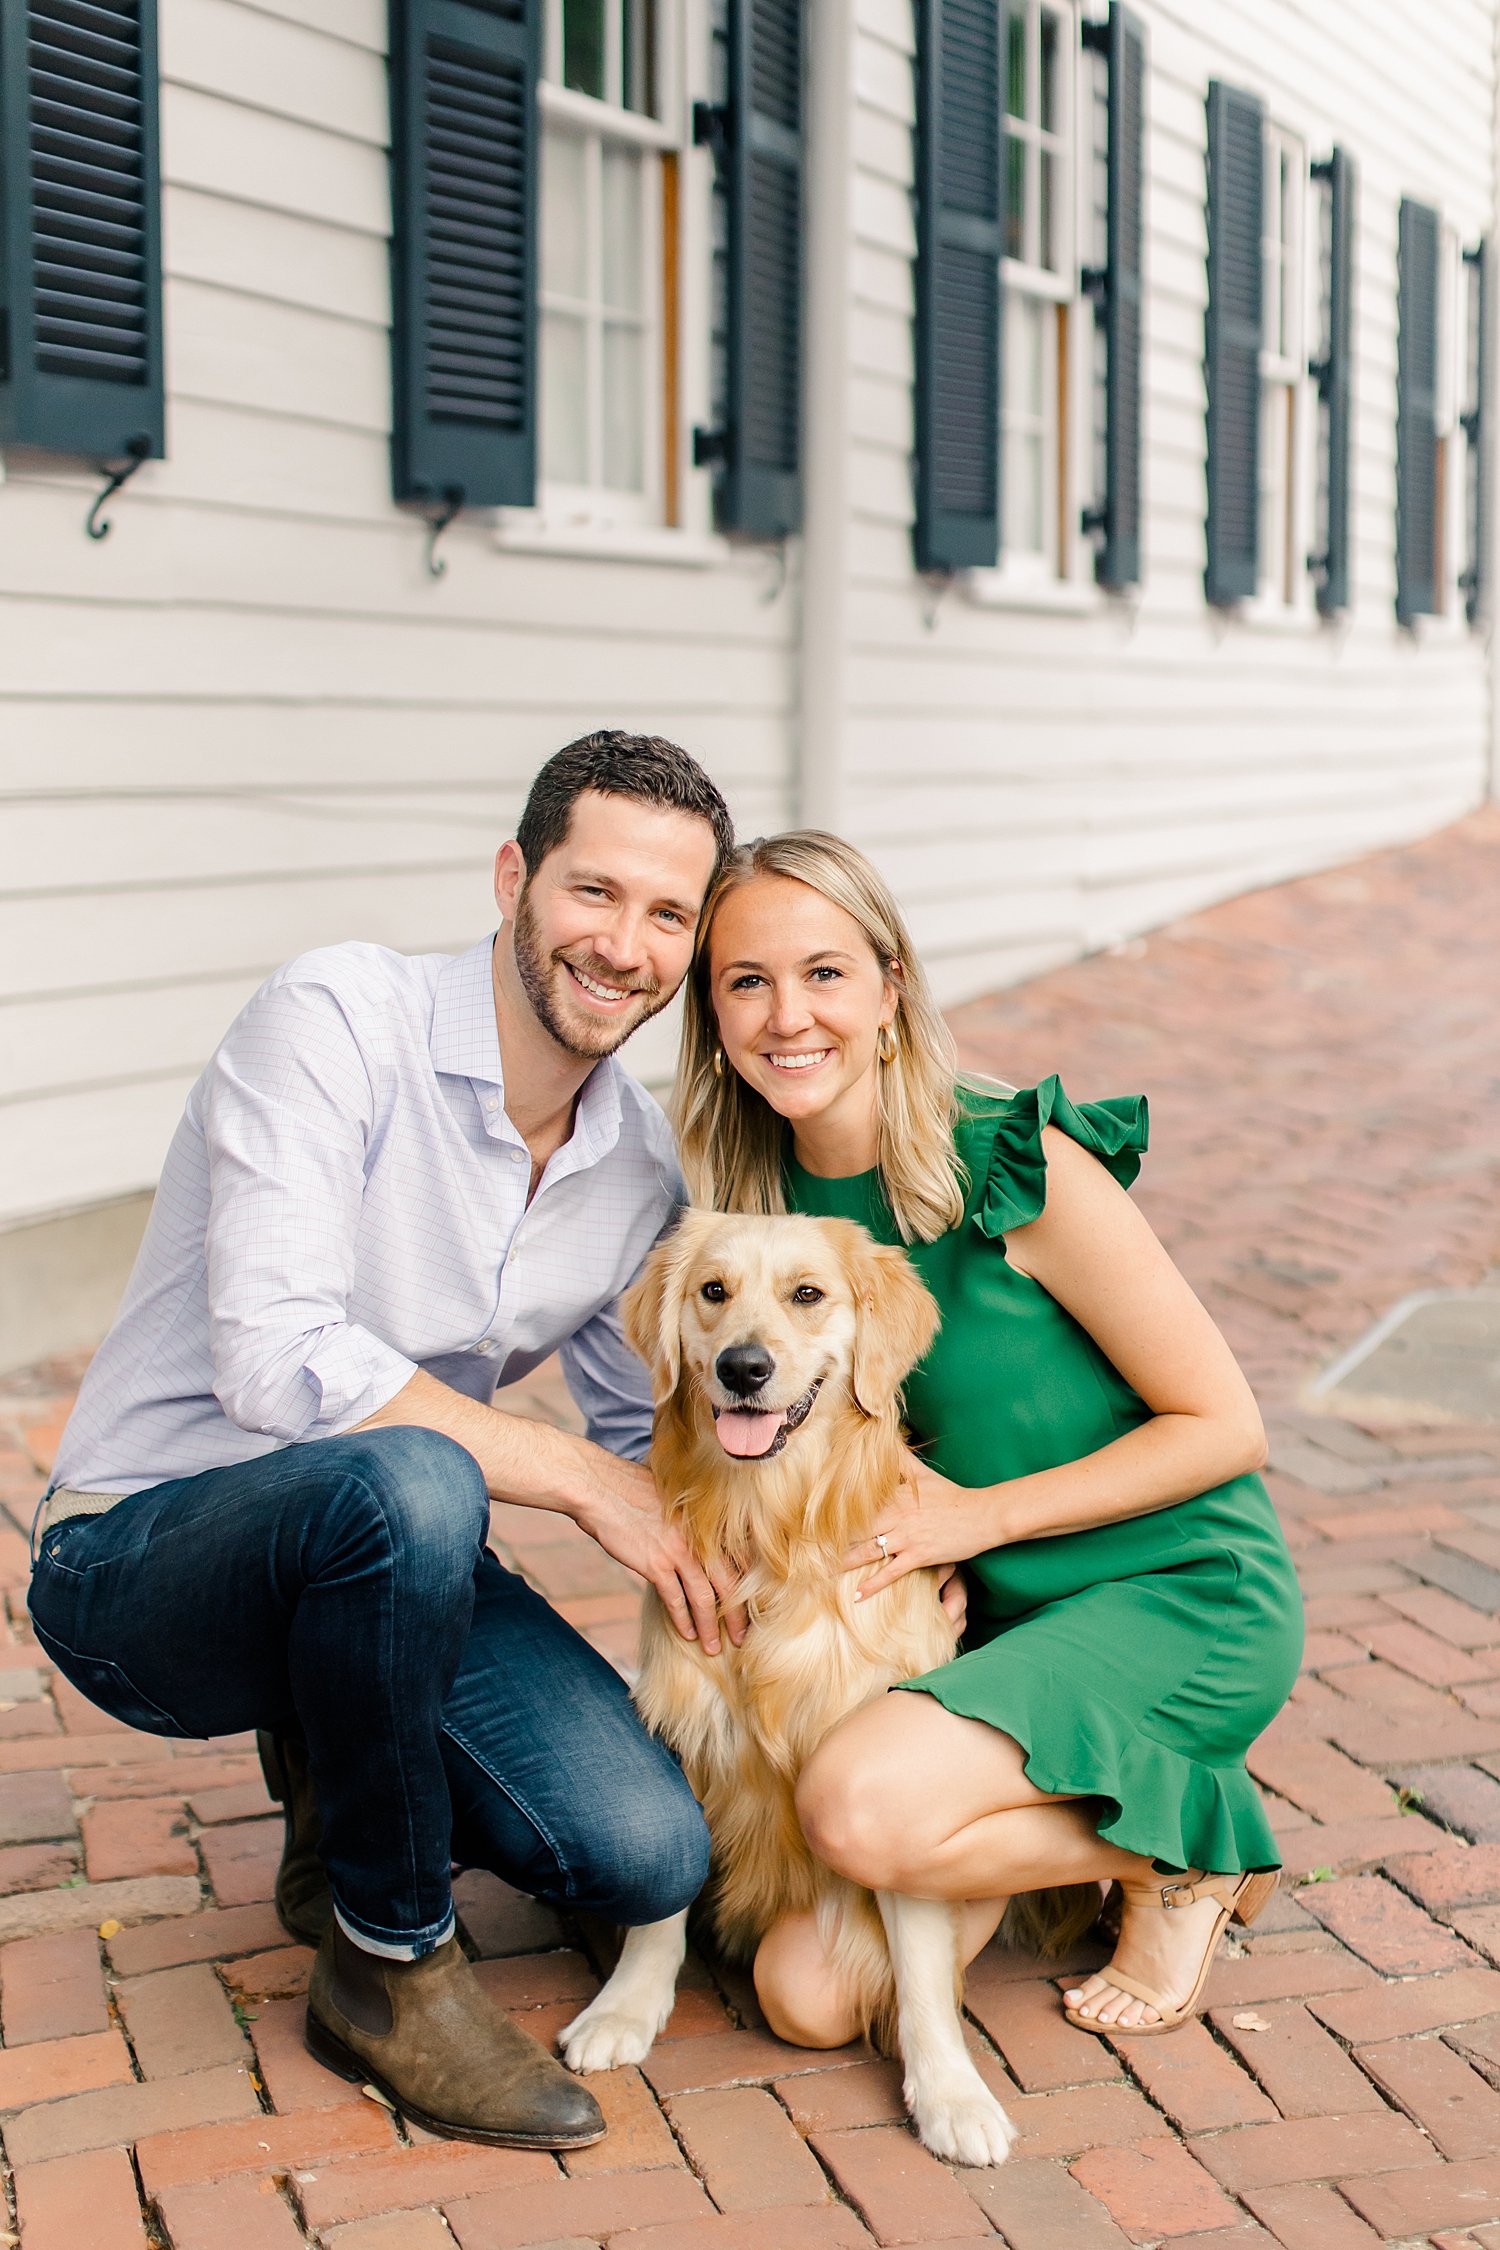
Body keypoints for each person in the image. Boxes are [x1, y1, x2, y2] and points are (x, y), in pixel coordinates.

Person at [31, 732, 745, 2149]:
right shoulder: (337, 1018)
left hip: (390, 1552)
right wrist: (572, 1480)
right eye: (593, 892)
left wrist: (885, 1512)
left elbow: (643, 1436)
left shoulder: (637, 1166)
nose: (625, 945)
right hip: (143, 1554)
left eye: (669, 915)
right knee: (417, 1478)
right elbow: (278, 1351)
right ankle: (389, 1961)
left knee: (643, 1849)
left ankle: (336, 1767)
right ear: (512, 877)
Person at [674, 831, 1303, 2041]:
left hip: (1172, 1591)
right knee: (805, 1997)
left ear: (890, 990)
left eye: (824, 973)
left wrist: (978, 1519)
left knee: (858, 1814)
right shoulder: (765, 1227)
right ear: (712, 1015)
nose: (787, 1015)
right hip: (984, 1620)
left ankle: (1181, 1859)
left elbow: (1227, 1426)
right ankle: (1095, 1831)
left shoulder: (1017, 1165)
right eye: (746, 981)